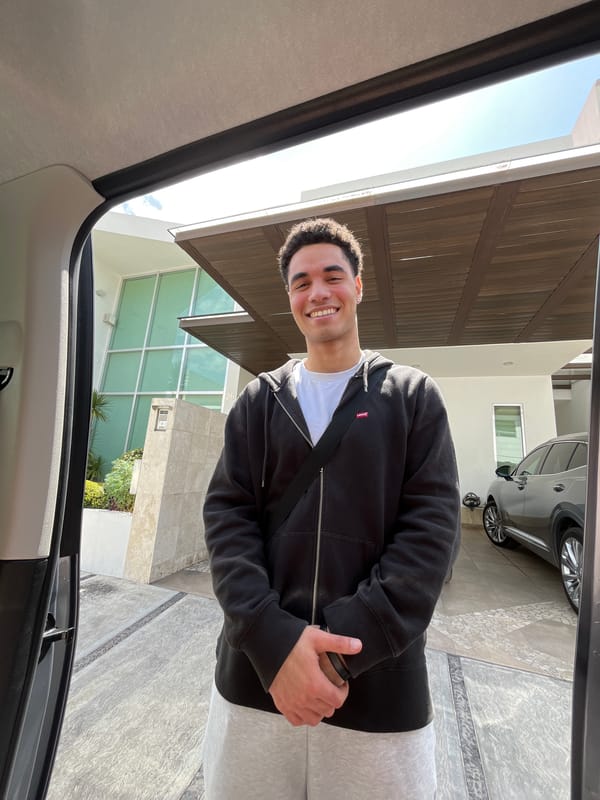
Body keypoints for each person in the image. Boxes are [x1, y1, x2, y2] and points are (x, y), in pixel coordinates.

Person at [202, 217, 460, 799]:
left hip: (377, 696)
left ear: (359, 286)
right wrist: (274, 643)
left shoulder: (413, 397)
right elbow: (227, 519)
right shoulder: (259, 401)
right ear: (290, 298)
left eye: (331, 276)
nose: (317, 293)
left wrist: (332, 662)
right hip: (254, 684)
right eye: (300, 283)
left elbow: (430, 537)